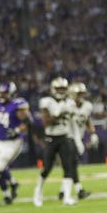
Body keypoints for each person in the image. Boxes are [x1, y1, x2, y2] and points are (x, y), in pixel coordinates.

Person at [34, 76, 79, 206]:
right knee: (47, 167)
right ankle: (38, 192)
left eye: (63, 89)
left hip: (64, 136)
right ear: (53, 89)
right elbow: (46, 122)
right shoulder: (47, 101)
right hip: (51, 138)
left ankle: (67, 197)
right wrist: (59, 114)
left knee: (68, 167)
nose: (61, 91)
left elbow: (73, 116)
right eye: (58, 88)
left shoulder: (69, 102)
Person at [0, 81, 31, 205]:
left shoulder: (18, 105)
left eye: (5, 93)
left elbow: (28, 121)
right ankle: (8, 193)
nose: (2, 95)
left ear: (12, 94)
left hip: (13, 142)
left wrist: (17, 130)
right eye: (0, 93)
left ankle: (13, 184)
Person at [69, 81, 96, 199]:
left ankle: (64, 191)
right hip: (66, 138)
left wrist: (93, 133)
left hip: (77, 138)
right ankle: (78, 190)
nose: (81, 96)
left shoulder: (87, 106)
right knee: (71, 164)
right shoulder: (68, 105)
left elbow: (88, 120)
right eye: (78, 93)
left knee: (70, 165)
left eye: (82, 93)